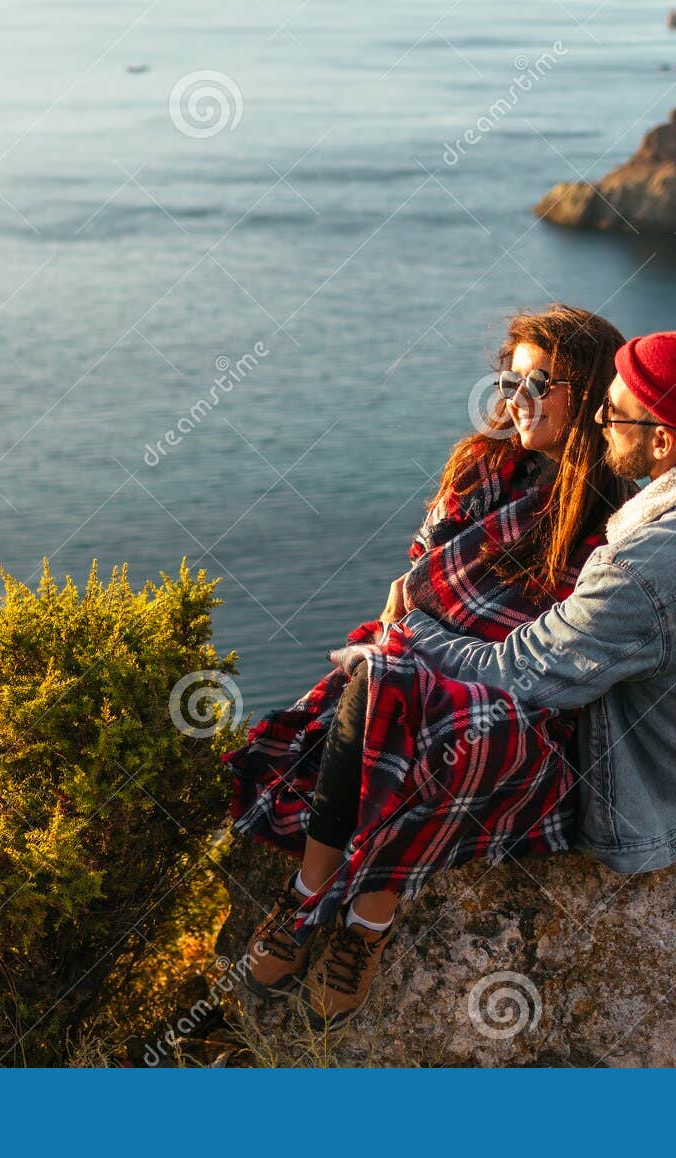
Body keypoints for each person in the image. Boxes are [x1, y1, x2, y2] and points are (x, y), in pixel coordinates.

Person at [303, 330, 676, 1028]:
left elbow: (520, 674)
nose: (598, 420)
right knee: (408, 698)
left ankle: (358, 917)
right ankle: (334, 897)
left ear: (660, 443)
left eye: (613, 413)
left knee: (443, 723)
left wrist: (413, 635)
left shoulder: (644, 562)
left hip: (651, 800)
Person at [226, 304, 631, 1028]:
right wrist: (410, 622)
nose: (518, 396)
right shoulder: (480, 464)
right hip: (418, 649)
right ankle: (307, 895)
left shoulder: (615, 510)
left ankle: (367, 923)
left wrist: (447, 646)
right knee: (381, 685)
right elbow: (423, 568)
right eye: (512, 377)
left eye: (543, 381)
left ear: (591, 392)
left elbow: (573, 638)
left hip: (523, 692)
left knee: (459, 729)